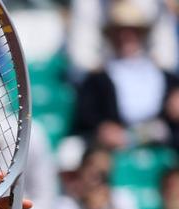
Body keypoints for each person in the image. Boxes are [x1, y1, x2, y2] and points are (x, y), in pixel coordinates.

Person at [73, 1, 179, 151]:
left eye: (132, 31)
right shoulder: (97, 78)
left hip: (161, 148)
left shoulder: (164, 76)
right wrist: (102, 128)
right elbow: (88, 116)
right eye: (120, 31)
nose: (126, 37)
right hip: (113, 150)